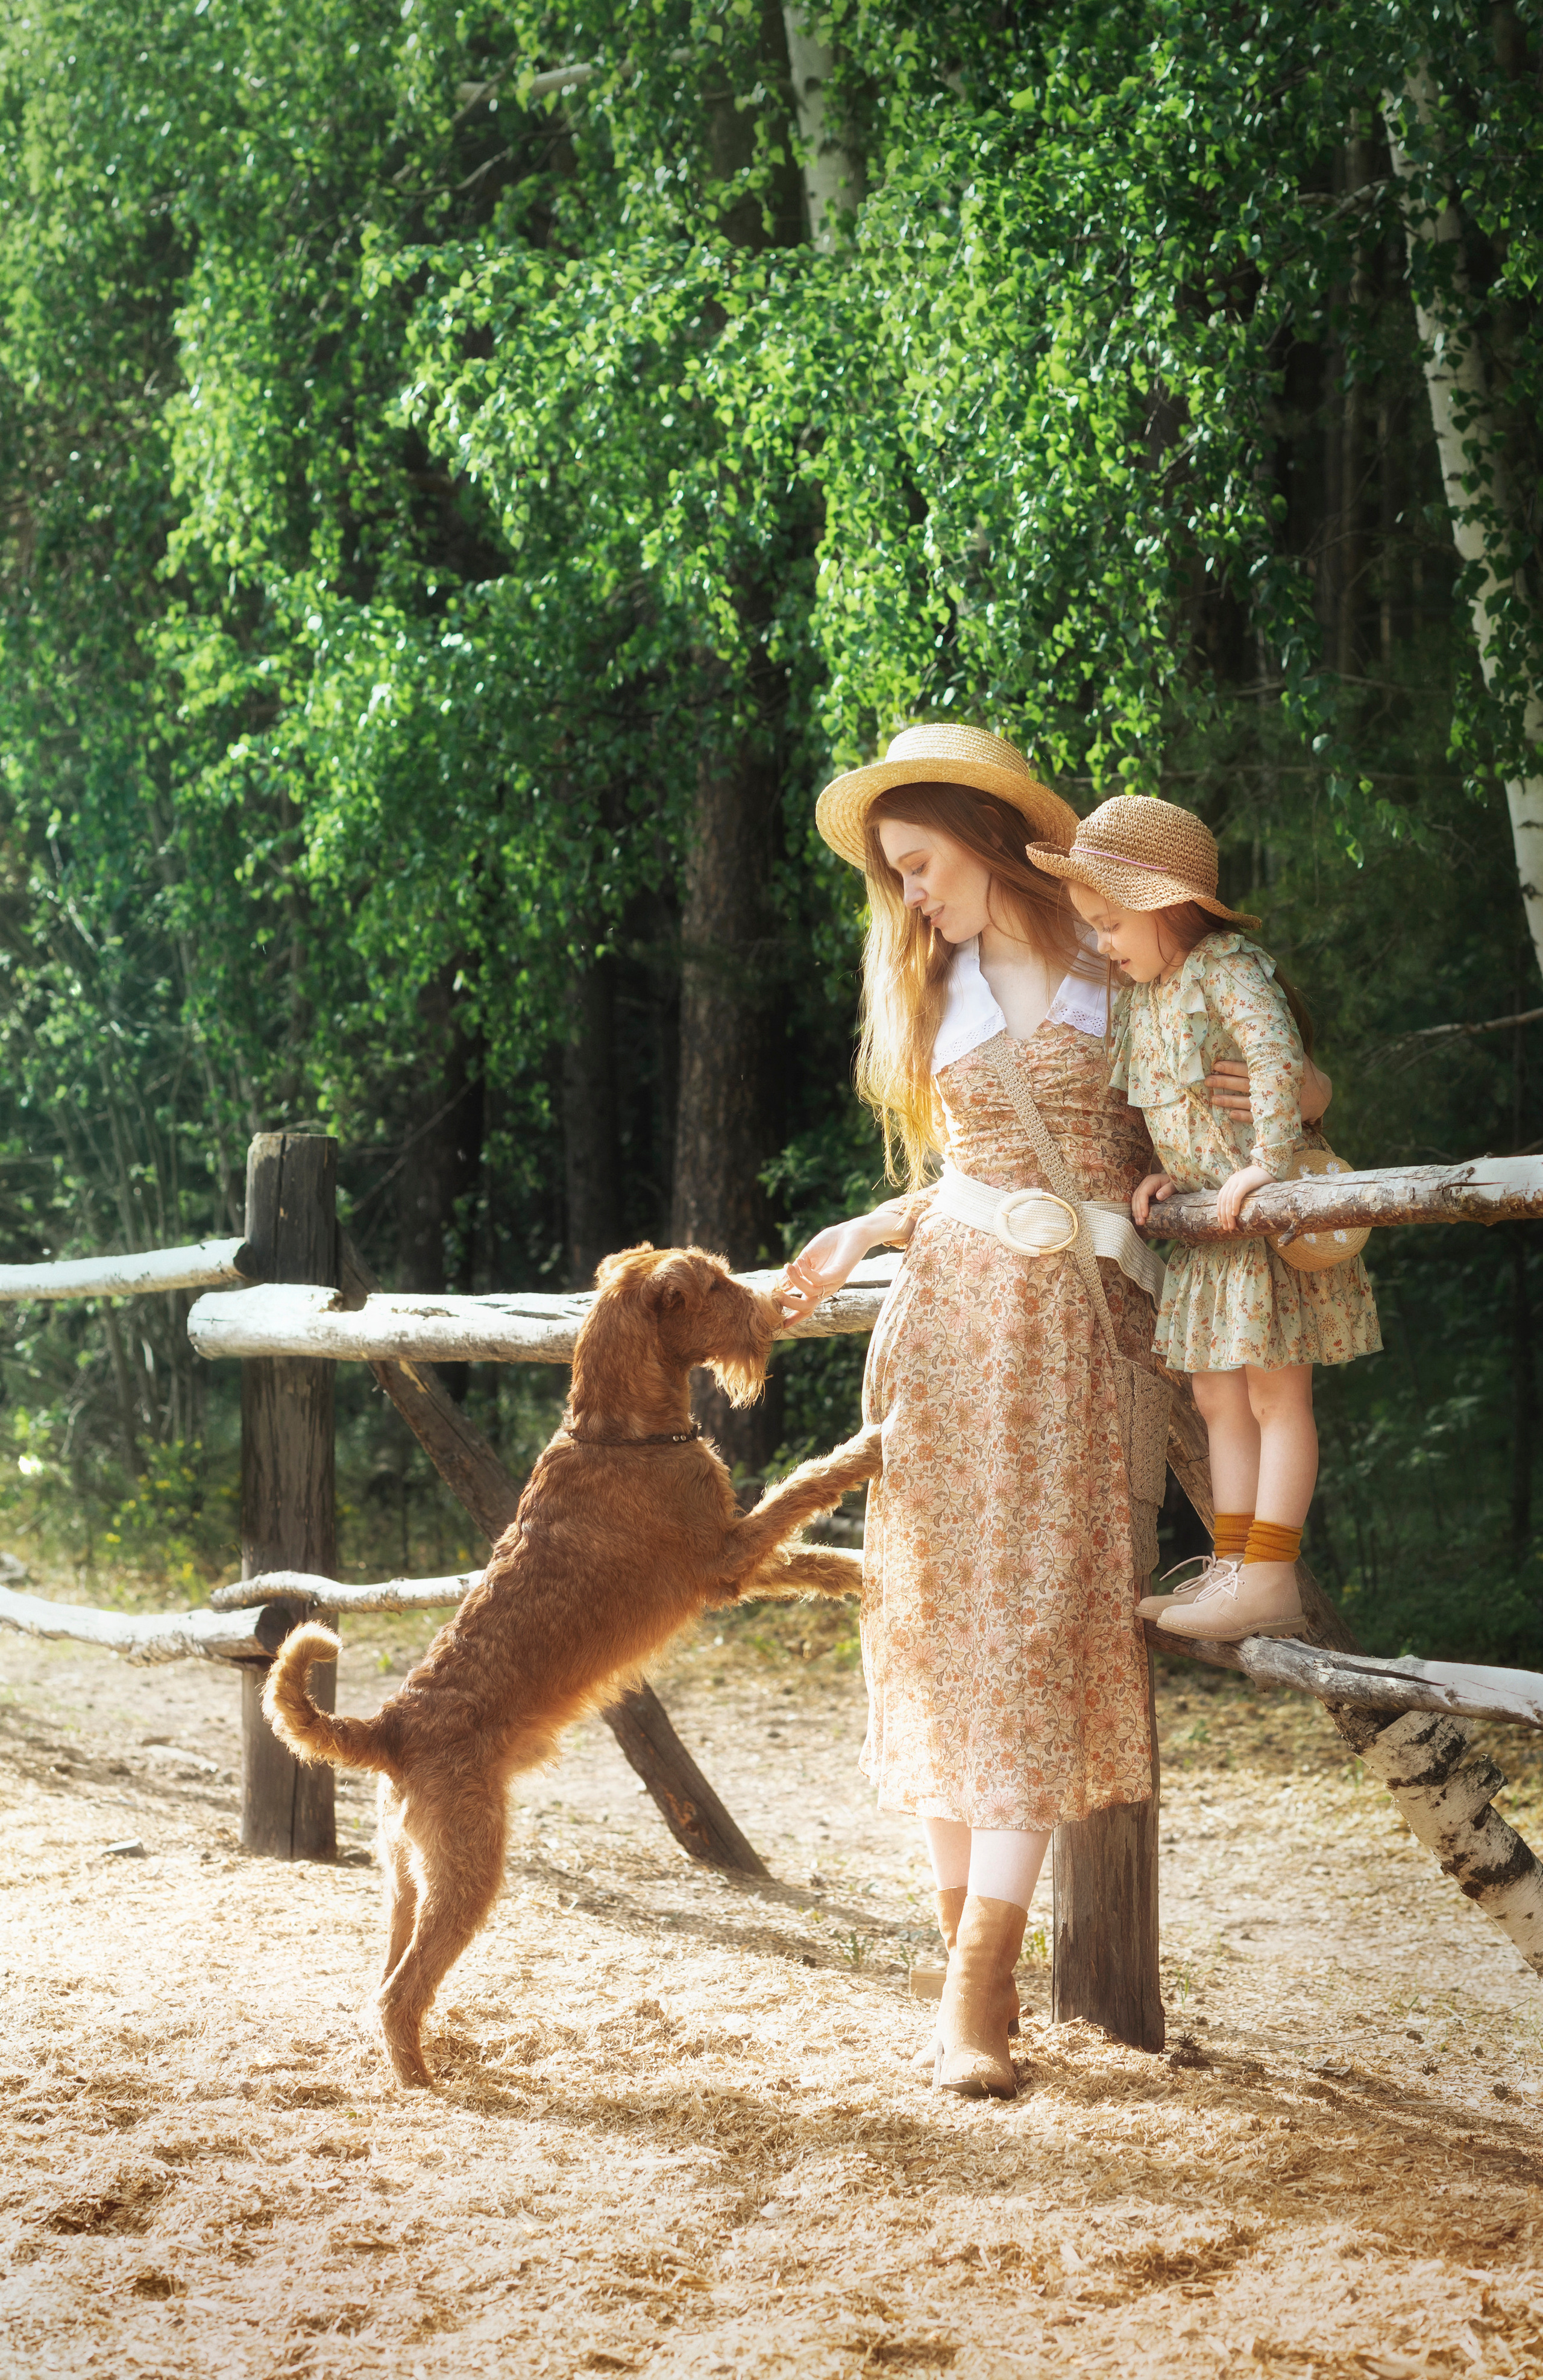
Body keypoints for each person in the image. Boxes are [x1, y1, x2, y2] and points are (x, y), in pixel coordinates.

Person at [778, 726, 1331, 2099]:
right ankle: (955, 1960)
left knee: (1038, 1627)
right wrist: (868, 1222)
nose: (909, 895)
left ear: (979, 833)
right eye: (894, 875)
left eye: (920, 864)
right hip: (948, 1330)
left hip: (1084, 1340)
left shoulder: (1123, 956)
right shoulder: (933, 982)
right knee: (938, 1627)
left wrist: (1261, 1106)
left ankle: (983, 1983)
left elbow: (1286, 1084)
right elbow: (975, 1168)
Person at [1027, 794, 1380, 1647]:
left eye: (1110, 924)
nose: (1104, 944)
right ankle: (1232, 1564)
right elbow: (1180, 1104)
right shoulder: (1143, 997)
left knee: (1274, 1390)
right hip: (1209, 1233)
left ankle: (1269, 1573)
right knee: (1220, 1396)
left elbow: (1273, 1053)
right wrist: (1166, 1177)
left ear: (1162, 903)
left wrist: (1266, 1157)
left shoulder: (1226, 964)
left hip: (1262, 1224)